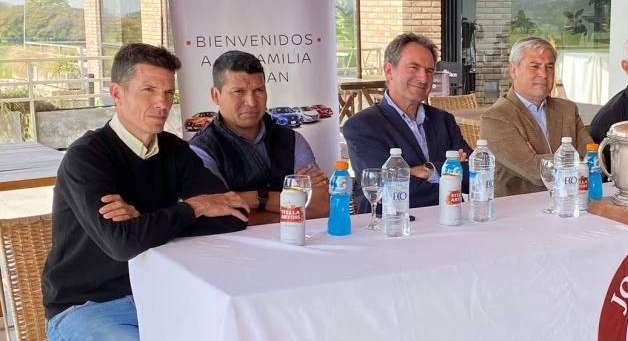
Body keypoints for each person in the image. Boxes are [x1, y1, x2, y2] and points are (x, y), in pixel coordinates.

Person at [41, 44, 249, 341]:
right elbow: (121, 244)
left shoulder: (173, 150)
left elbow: (229, 214)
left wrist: (149, 216)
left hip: (160, 294)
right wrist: (187, 207)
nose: (161, 103)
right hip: (84, 304)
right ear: (117, 93)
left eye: (168, 93)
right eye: (148, 90)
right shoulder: (87, 159)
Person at [190, 50, 329, 225]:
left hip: (295, 244)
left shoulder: (292, 140)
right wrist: (294, 205)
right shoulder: (201, 150)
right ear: (216, 96)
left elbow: (321, 206)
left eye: (258, 90)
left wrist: (255, 199)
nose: (252, 101)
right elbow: (223, 218)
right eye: (239, 91)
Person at [343, 32, 471, 211]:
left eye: (429, 71)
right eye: (413, 67)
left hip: (451, 221)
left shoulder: (443, 120)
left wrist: (428, 170)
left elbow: (474, 175)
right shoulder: (362, 126)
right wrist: (451, 175)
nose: (423, 78)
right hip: (390, 228)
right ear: (389, 71)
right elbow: (388, 189)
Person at [480, 37, 592, 197]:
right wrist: (574, 161)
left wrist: (542, 159)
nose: (544, 74)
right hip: (520, 212)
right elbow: (534, 171)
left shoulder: (567, 109)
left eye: (550, 67)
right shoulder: (496, 118)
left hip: (570, 203)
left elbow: (592, 160)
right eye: (534, 66)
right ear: (513, 70)